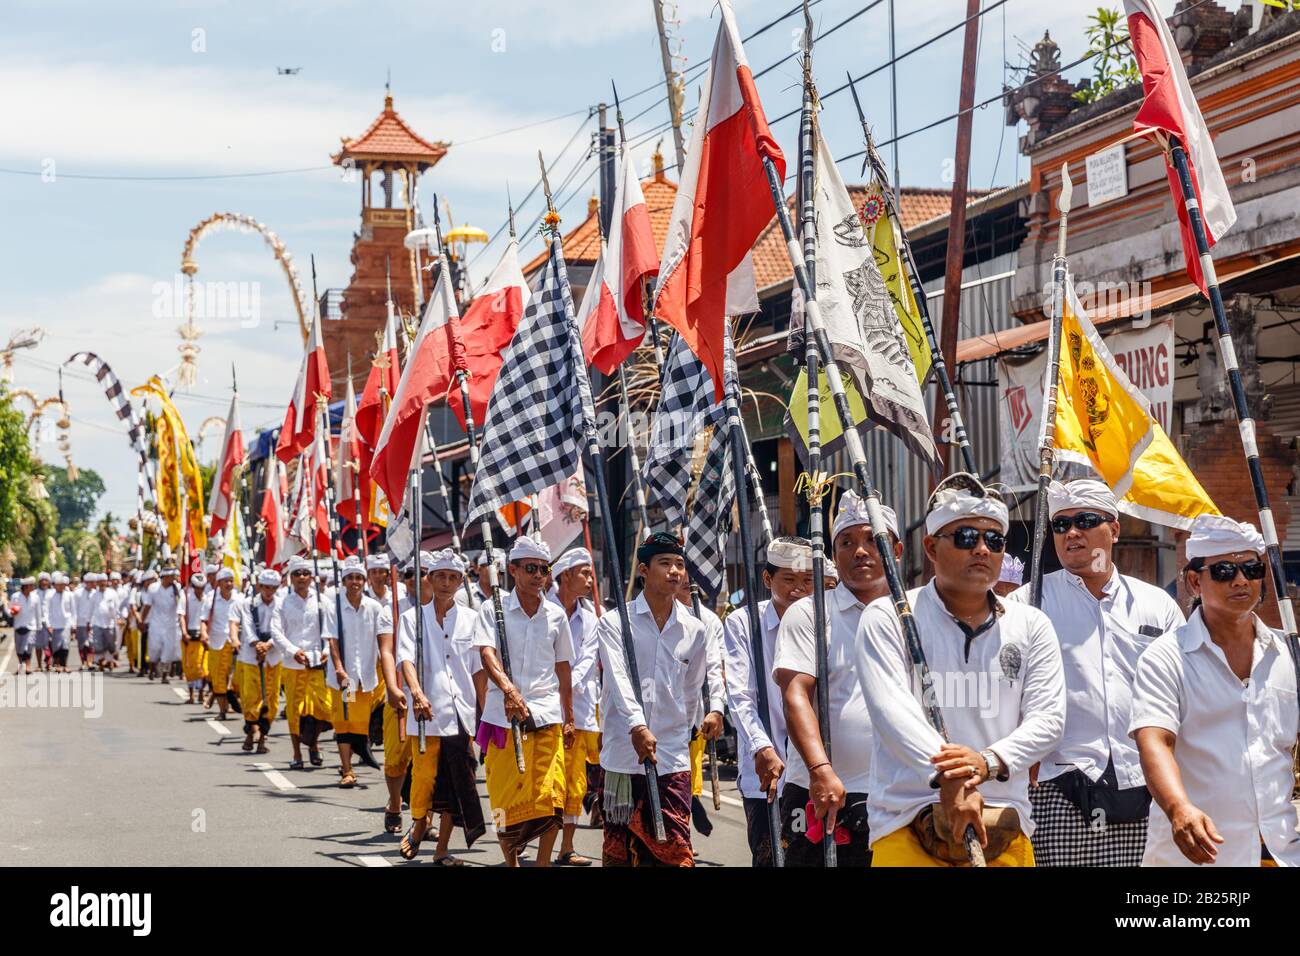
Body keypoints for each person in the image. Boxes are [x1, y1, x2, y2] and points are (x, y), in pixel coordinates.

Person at [855, 473, 1066, 867]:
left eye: (995, 540)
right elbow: (892, 713)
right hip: (907, 819)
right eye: (967, 537)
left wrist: (985, 763)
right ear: (931, 547)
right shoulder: (889, 617)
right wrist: (950, 778)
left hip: (1003, 820)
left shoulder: (1031, 625)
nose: (983, 549)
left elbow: (1049, 720)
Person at [1009, 478, 1185, 867]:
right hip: (1056, 788)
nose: (1072, 532)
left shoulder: (1158, 606)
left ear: (1115, 529)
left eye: (1085, 520)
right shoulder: (1024, 605)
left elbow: (1181, 697)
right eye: (1061, 524)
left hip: (1147, 787)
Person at [1131, 515, 1299, 867]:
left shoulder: (1290, 654)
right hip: (1197, 854)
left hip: (1282, 850)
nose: (1241, 580)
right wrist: (1179, 808)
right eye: (1224, 570)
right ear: (1194, 580)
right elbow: (1155, 741)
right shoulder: (1165, 658)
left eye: (1251, 569)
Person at [774, 492, 897, 866]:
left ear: (898, 549)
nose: (860, 551)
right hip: (821, 794)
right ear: (833, 553)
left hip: (897, 796)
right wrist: (820, 770)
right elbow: (795, 694)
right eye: (847, 542)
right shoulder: (810, 614)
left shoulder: (917, 614)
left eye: (873, 540)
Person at [597, 532, 714, 867]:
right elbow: (618, 680)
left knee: (676, 851)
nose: (674, 571)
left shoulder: (695, 629)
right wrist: (636, 725)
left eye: (679, 564)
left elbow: (692, 689)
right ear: (644, 569)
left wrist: (686, 731)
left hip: (672, 755)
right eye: (665, 563)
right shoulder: (615, 623)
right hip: (623, 752)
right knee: (619, 851)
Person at [473, 537, 573, 867]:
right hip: (503, 719)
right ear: (513, 570)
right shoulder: (493, 609)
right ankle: (512, 862)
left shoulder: (557, 616)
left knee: (552, 795)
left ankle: (543, 863)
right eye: (530, 568)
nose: (538, 575)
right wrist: (509, 691)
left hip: (546, 716)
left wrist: (569, 716)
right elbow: (487, 653)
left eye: (544, 569)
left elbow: (563, 669)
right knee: (505, 799)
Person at [725, 536, 812, 866]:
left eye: (806, 580)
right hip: (767, 773)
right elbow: (741, 695)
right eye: (788, 579)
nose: (798, 589)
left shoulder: (823, 622)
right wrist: (762, 747)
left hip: (817, 775)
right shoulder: (744, 623)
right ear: (767, 579)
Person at [396, 549, 486, 863]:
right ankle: (419, 821)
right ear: (430, 579)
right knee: (424, 778)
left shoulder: (473, 620)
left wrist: (485, 717)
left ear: (461, 582)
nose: (446, 583)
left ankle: (442, 849)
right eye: (441, 577)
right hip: (426, 714)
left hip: (462, 714)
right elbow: (404, 659)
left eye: (453, 577)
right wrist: (417, 693)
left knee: (457, 782)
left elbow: (478, 670)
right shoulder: (411, 619)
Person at [548, 547, 601, 866]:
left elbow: (587, 661)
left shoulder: (590, 616)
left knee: (574, 784)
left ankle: (566, 847)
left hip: (579, 711)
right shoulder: (543, 609)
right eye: (584, 572)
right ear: (564, 575)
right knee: (544, 783)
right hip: (544, 712)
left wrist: (567, 684)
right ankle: (531, 839)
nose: (590, 578)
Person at [325, 556, 391, 789]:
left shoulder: (374, 608)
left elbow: (382, 641)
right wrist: (340, 670)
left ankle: (357, 754)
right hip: (345, 681)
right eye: (350, 578)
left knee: (359, 723)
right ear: (344, 581)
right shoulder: (334, 606)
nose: (355, 582)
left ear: (364, 581)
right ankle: (348, 769)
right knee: (344, 722)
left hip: (366, 677)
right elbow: (332, 640)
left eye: (358, 578)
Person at [273, 556, 332, 769]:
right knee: (295, 710)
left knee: (323, 707)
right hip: (292, 665)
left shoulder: (322, 601)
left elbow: (330, 631)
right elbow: (276, 632)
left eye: (305, 573)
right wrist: (292, 650)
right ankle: (297, 753)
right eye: (297, 574)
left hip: (316, 664)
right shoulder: (283, 603)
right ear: (291, 577)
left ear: (311, 577)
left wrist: (326, 650)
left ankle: (313, 744)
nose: (301, 577)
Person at [236, 569, 285, 754]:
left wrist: (269, 646)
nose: (269, 591)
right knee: (251, 697)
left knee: (271, 700)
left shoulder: (281, 604)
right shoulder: (249, 604)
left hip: (273, 656)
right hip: (251, 656)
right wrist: (257, 645)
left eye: (273, 588)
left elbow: (281, 629)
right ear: (259, 586)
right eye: (266, 587)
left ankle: (263, 737)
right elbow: (247, 626)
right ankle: (250, 732)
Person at [199, 568, 242, 720]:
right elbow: (204, 620)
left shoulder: (239, 598)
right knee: (217, 678)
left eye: (231, 580)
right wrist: (204, 633)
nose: (229, 584)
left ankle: (233, 697)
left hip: (235, 643)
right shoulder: (210, 598)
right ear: (218, 583)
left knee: (234, 677)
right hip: (216, 642)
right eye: (226, 581)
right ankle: (223, 710)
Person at [142, 567, 183, 682]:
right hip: (156, 624)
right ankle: (152, 670)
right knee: (154, 649)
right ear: (164, 577)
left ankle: (164, 675)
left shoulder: (177, 588)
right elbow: (147, 606)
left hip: (171, 625)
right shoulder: (153, 588)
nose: (172, 579)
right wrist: (142, 620)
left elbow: (181, 606)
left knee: (168, 651)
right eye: (170, 577)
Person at [181, 571, 210, 704]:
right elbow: (181, 615)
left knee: (203, 668)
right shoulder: (185, 597)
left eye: (202, 587)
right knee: (190, 667)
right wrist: (184, 632)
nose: (200, 590)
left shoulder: (208, 599)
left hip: (202, 638)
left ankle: (201, 693)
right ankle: (192, 695)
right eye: (197, 587)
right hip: (188, 636)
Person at [43, 573, 76, 674]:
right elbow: (46, 611)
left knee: (65, 645)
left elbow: (73, 611)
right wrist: (48, 625)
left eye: (63, 584)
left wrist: (74, 624)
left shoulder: (69, 595)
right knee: (56, 646)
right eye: (59, 584)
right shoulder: (49, 595)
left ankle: (65, 665)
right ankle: (57, 665)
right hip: (54, 625)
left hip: (66, 624)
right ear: (54, 585)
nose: (61, 586)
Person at [91, 572, 123, 671]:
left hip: (110, 623)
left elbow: (117, 608)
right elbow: (90, 609)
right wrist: (89, 622)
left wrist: (118, 619)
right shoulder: (94, 594)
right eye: (100, 582)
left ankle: (110, 662)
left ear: (106, 582)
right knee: (99, 645)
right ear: (97, 583)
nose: (102, 583)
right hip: (97, 623)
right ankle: (101, 664)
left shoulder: (112, 593)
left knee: (110, 645)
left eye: (104, 581)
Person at [10, 577, 42, 674]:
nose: (33, 587)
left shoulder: (35, 597)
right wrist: (13, 611)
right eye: (31, 585)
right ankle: (20, 666)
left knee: (28, 647)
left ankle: (27, 667)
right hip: (19, 625)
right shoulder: (15, 596)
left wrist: (39, 626)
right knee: (19, 649)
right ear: (26, 587)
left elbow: (38, 613)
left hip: (31, 627)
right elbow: (9, 610)